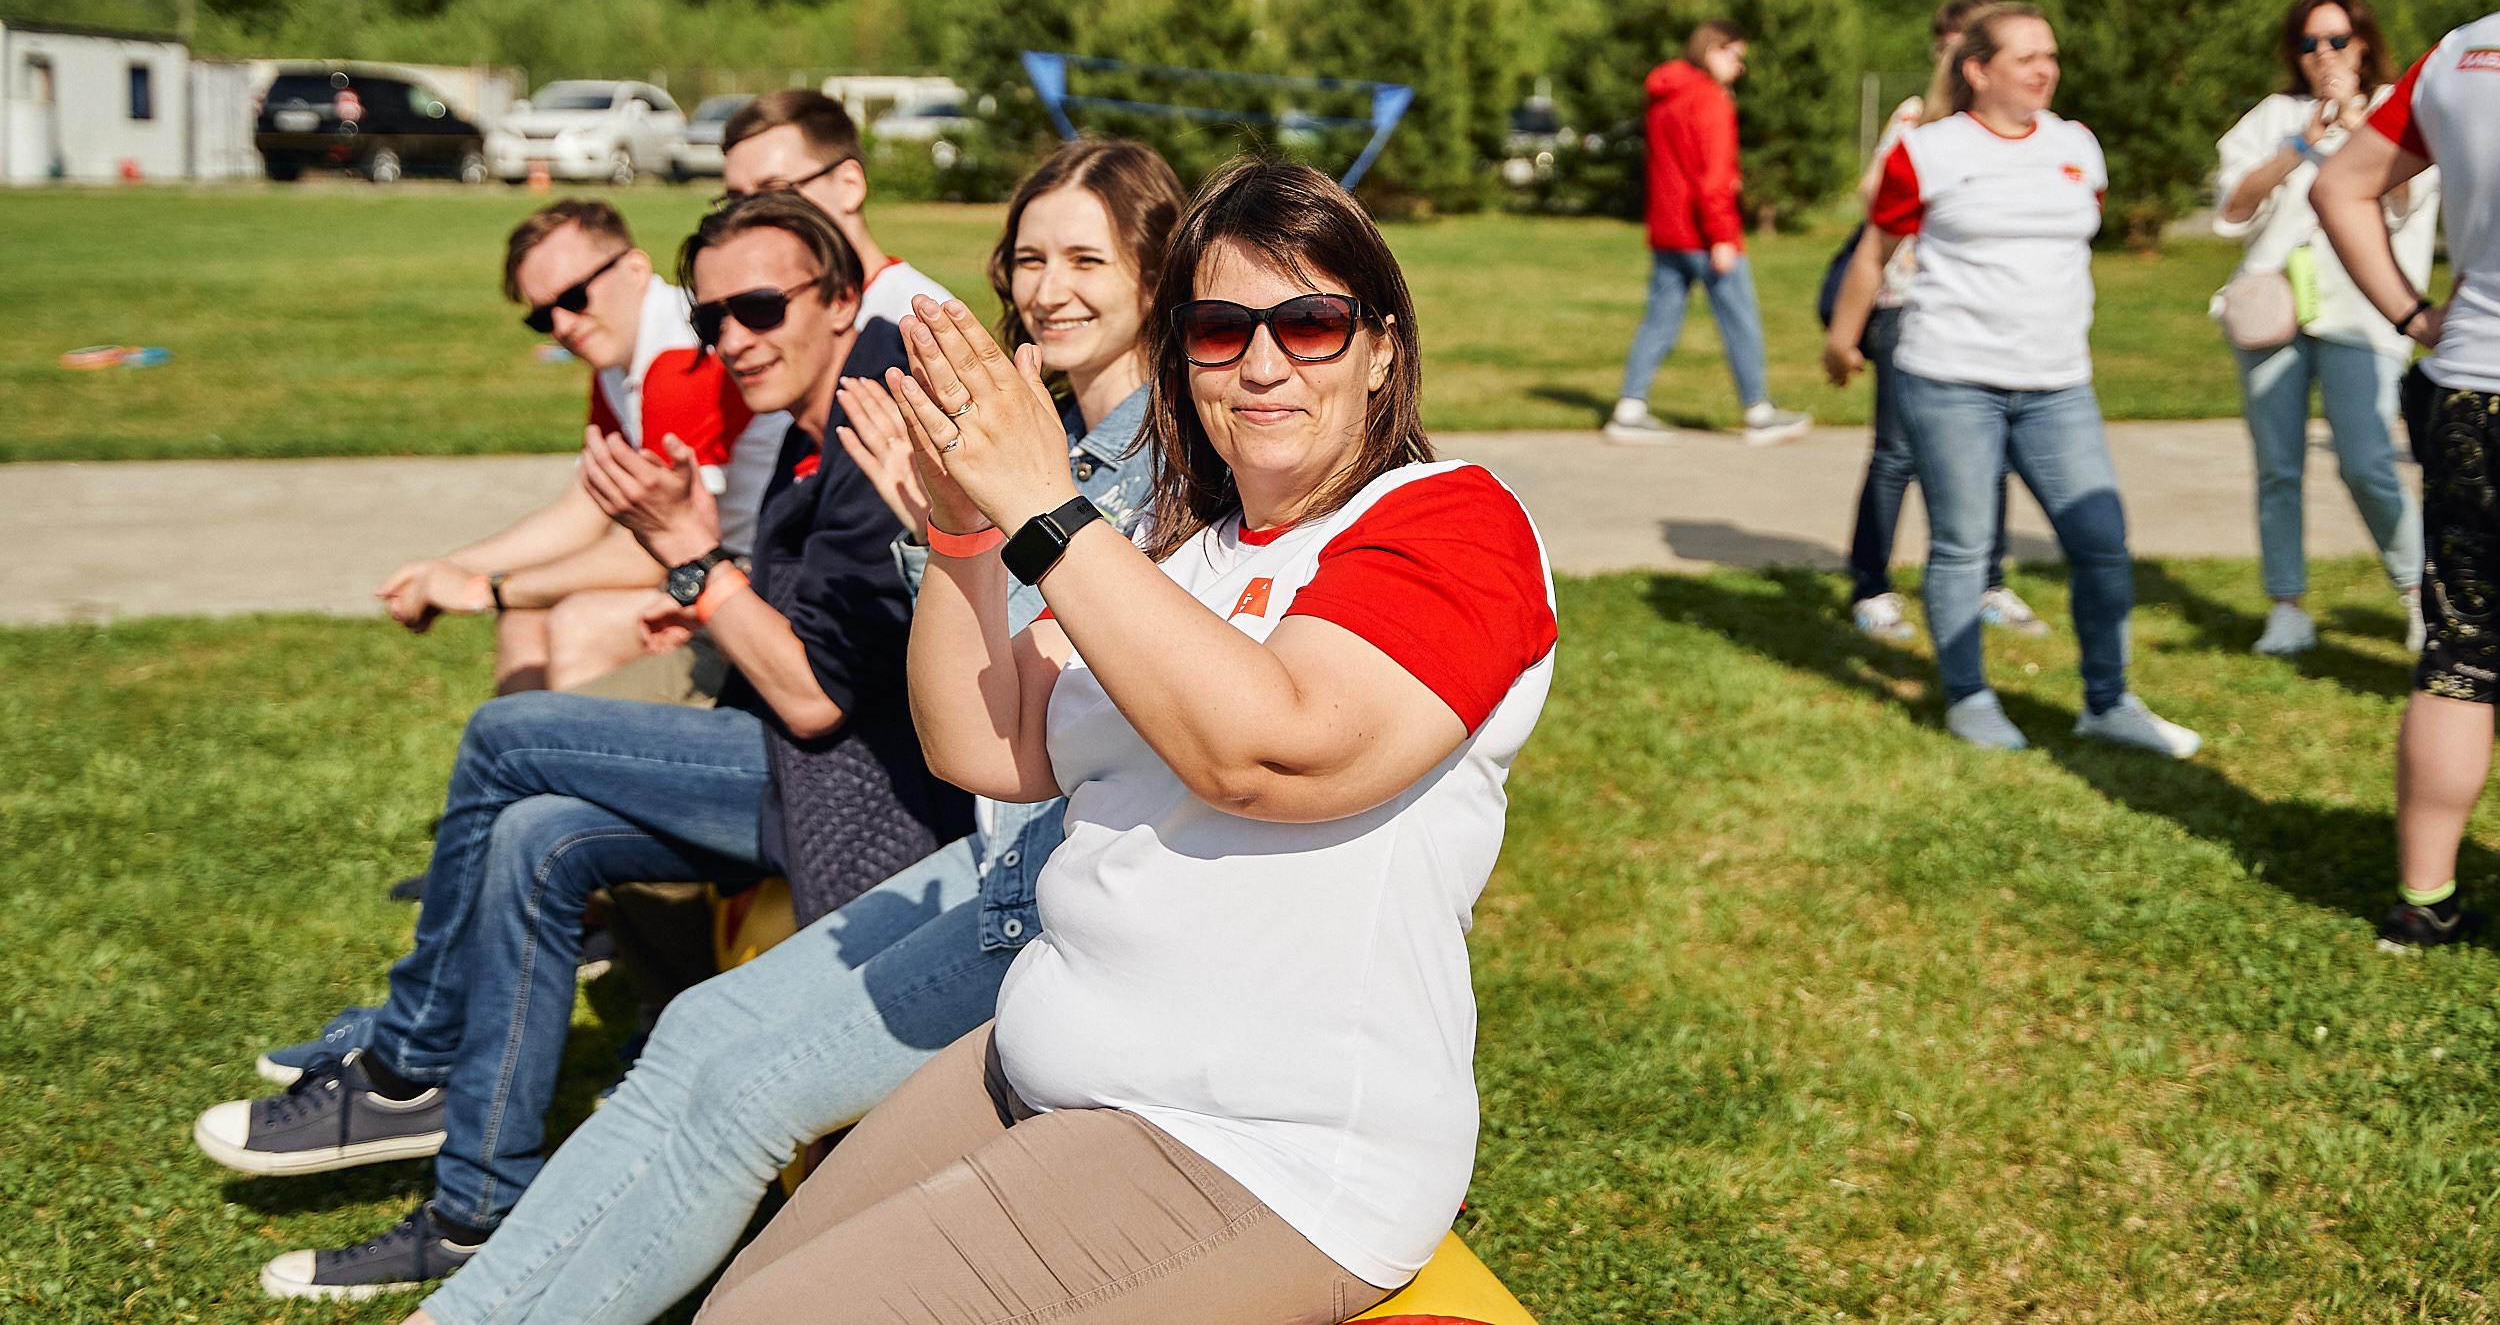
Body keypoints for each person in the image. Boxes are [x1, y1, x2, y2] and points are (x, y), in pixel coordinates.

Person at [683, 158, 1558, 1324]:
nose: (1261, 362)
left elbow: (1273, 751)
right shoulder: (1179, 552)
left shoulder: (1449, 520)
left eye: (1308, 322)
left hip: (1255, 1144)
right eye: (1218, 329)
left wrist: (1046, 510)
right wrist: (960, 529)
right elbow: (987, 743)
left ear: (1380, 349)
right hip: (1040, 1062)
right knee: (745, 1296)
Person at [394, 138, 1180, 1325]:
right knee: (684, 1012)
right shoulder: (1033, 433)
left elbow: (1022, 711)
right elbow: (983, 690)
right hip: (993, 852)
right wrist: (941, 535)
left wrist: (926, 533)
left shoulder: (1173, 465)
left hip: (1046, 879)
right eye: (1028, 259)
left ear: (1156, 270)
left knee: (739, 1085)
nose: (1046, 287)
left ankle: (414, 1064)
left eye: (1085, 258)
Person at [194, 191, 971, 1299]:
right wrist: (681, 565)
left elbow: (812, 698)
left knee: (507, 733)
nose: (734, 339)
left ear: (842, 295)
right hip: (787, 765)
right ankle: (474, 1204)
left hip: (857, 794)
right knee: (537, 837)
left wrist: (692, 561)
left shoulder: (871, 409)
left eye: (758, 307)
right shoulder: (808, 414)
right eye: (712, 319)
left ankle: (408, 1062)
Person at [1865, 2, 2200, 757]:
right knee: (1962, 545)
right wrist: (1841, 336)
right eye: (2026, 57)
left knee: (2102, 543)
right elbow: (1875, 249)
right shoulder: (1929, 149)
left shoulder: (2077, 144)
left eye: (2051, 55)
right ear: (1978, 70)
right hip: (1952, 376)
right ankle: (1969, 698)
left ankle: (2108, 702)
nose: (2046, 69)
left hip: (2058, 383)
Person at [376, 200, 789, 695]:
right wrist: (447, 569)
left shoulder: (680, 355)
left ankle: (573, 746)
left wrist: (480, 589)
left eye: (575, 298)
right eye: (542, 318)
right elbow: (581, 512)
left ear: (635, 269)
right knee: (525, 620)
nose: (564, 326)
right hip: (717, 563)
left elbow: (650, 554)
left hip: (767, 572)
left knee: (578, 622)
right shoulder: (620, 357)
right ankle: (526, 746)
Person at [2311, 9, 2500, 948]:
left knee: (2462, 651)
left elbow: (2339, 187)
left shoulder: (2462, 53)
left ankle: (2423, 903)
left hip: (2473, 387)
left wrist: (2414, 315)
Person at [2214, 0, 2436, 658]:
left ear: (2363, 43)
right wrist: (2296, 147)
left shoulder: (2400, 107)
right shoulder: (2275, 114)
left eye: (2337, 40)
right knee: (2277, 467)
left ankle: (2423, 596)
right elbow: (2231, 209)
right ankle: (2286, 607)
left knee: (2367, 461)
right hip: (2275, 311)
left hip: (2366, 312)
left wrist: (2360, 123)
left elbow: (2403, 200)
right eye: (2309, 43)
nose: (2324, 55)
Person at [1824, 0, 2047, 645]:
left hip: (1987, 312)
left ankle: (1988, 581)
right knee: (1896, 453)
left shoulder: (2028, 129)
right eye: (1948, 43)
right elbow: (1874, 203)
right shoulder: (1917, 121)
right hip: (1909, 305)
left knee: (1994, 453)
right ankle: (1871, 586)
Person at [1606, 18, 1812, 446]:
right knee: (1741, 321)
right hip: (1705, 234)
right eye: (1735, 56)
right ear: (1712, 50)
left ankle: (1629, 410)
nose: (1740, 67)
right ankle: (1759, 413)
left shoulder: (1663, 96)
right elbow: (1714, 177)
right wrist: (1722, 235)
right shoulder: (1710, 99)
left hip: (1668, 231)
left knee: (1659, 321)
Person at [720, 89, 950, 327]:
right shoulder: (736, 317)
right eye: (736, 200)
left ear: (849, 185)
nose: (747, 214)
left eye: (775, 191)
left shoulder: (918, 320)